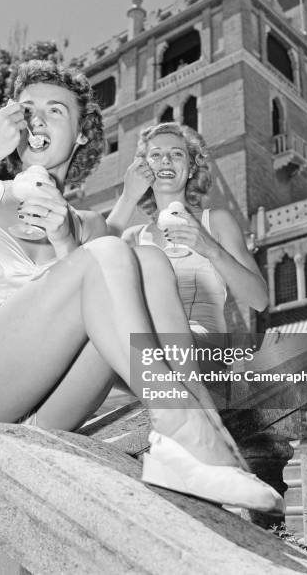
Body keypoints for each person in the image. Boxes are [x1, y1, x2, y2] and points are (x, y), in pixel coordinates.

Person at [0, 61, 282, 513]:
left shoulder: (91, 225)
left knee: (148, 261)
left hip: (47, 412)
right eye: (27, 108)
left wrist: (63, 240)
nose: (37, 118)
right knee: (111, 255)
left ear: (80, 136)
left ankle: (199, 434)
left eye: (55, 110)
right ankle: (188, 434)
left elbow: (106, 315)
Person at [107, 122, 269, 405]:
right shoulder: (134, 237)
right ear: (143, 170)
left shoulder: (215, 222)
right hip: (147, 352)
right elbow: (90, 258)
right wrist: (127, 196)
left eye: (177, 154)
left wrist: (210, 249)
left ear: (192, 168)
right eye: (155, 155)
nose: (166, 160)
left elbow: (259, 300)